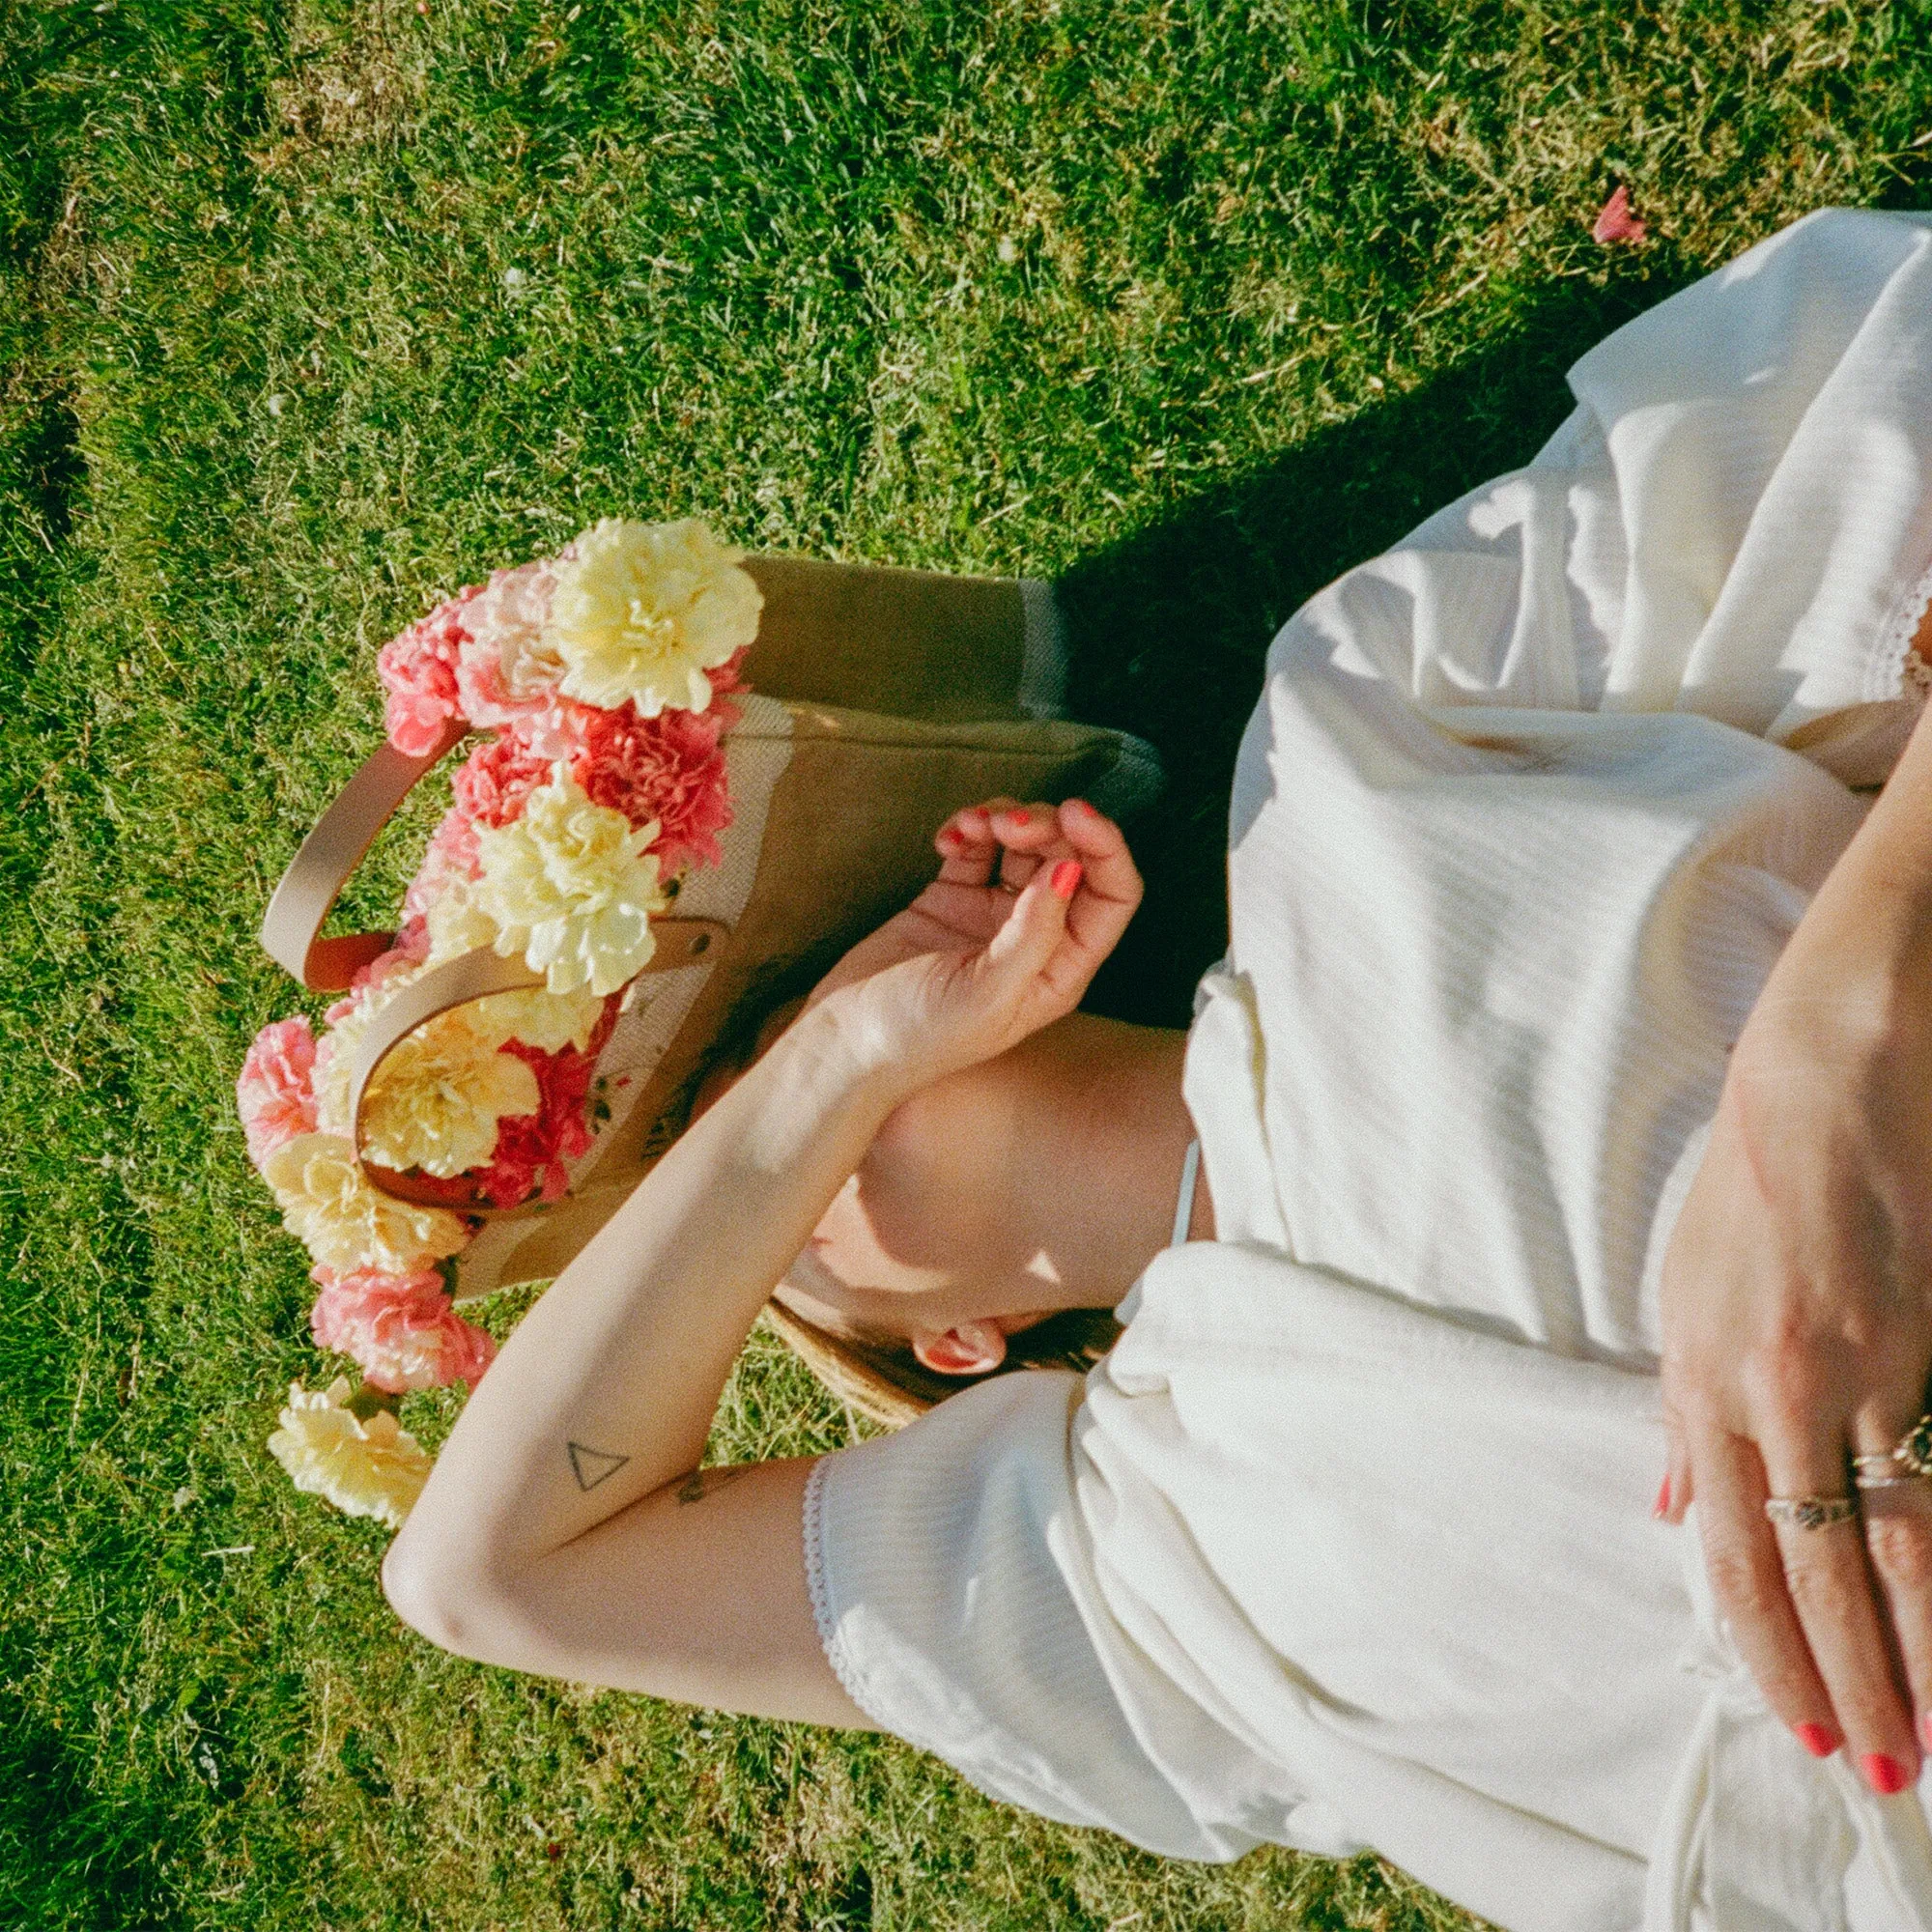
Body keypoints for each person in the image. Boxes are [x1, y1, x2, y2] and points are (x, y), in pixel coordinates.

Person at [380, 208, 1932, 1929]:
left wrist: (1837, 1036)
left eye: (782, 1024)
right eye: (744, 1198)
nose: (777, 1106)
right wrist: (824, 1071)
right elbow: (490, 1573)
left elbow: (1889, 369)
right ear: (955, 1349)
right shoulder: (1137, 1563)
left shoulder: (1354, 760)